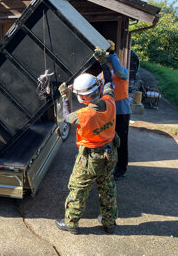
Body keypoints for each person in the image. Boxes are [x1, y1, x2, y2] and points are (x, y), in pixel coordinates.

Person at [55, 47, 119, 235]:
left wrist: (65, 98)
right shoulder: (110, 100)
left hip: (90, 158)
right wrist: (102, 62)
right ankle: (109, 223)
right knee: (107, 188)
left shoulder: (84, 115)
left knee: (79, 188)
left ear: (82, 97)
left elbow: (67, 117)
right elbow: (108, 79)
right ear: (97, 89)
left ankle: (72, 224)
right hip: (110, 153)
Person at [104, 40, 131, 180]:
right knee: (108, 139)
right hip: (109, 112)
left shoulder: (123, 73)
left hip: (122, 113)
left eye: (110, 63)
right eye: (107, 63)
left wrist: (112, 53)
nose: (109, 65)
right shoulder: (105, 76)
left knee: (122, 140)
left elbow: (119, 69)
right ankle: (109, 164)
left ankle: (121, 168)